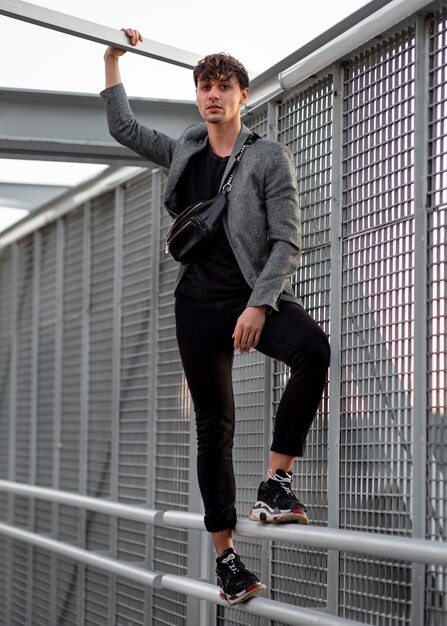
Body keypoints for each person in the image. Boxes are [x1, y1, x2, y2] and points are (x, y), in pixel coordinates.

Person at [101, 28, 330, 607]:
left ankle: (276, 483)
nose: (211, 95)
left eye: (222, 86)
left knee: (313, 348)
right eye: (204, 86)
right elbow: (124, 129)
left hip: (249, 295)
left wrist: (259, 304)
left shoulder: (268, 157)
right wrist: (112, 60)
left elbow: (287, 242)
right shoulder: (185, 150)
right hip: (196, 305)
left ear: (242, 95)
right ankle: (226, 560)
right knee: (215, 427)